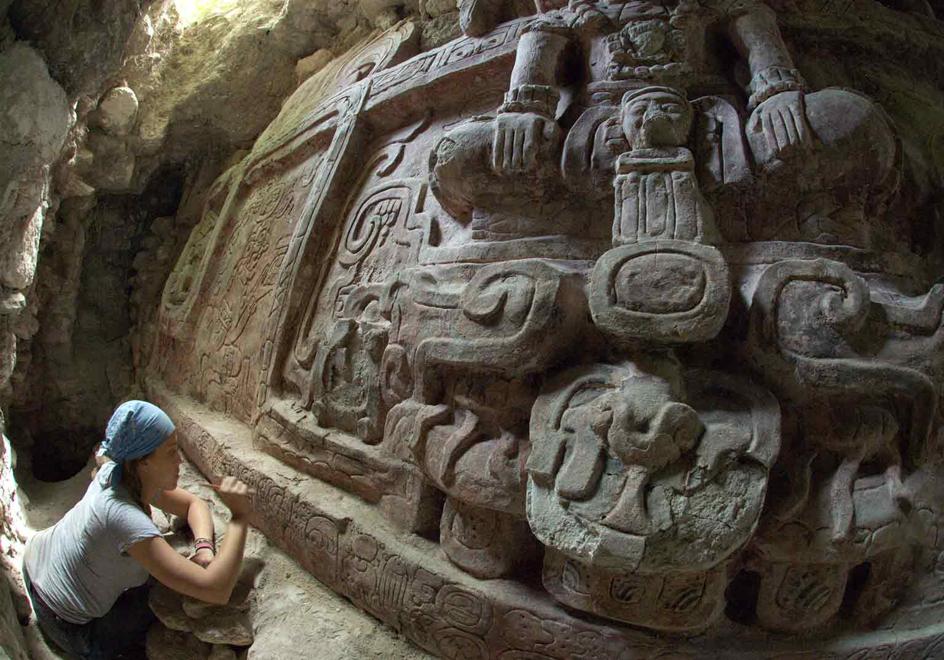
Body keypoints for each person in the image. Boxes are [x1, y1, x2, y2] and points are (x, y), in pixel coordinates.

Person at [21, 400, 253, 659]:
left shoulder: (116, 470)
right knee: (163, 595)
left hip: (34, 561)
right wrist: (240, 516)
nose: (179, 461)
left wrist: (204, 548)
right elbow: (216, 590)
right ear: (143, 462)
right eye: (170, 453)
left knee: (163, 571)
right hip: (66, 624)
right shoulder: (125, 519)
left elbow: (193, 504)